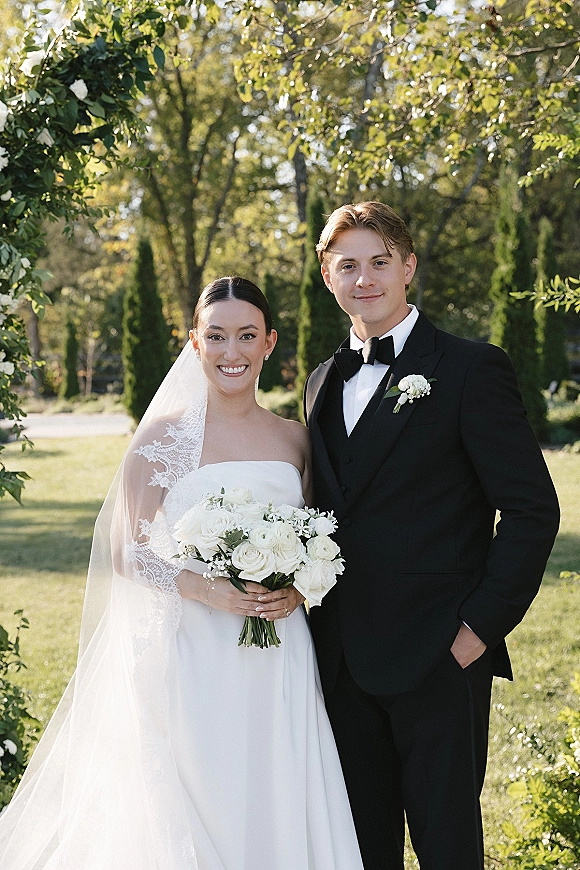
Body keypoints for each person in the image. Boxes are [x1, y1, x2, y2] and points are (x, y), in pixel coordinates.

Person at [0, 276, 364, 870]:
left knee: (275, 779)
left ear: (269, 342)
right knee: (203, 795)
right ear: (194, 343)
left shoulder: (296, 440)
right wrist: (206, 591)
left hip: (279, 653)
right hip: (195, 648)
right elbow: (127, 549)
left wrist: (298, 587)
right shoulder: (160, 440)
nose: (231, 352)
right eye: (216, 336)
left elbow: (319, 536)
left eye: (246, 335)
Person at [303, 202, 560, 870]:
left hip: (440, 660)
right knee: (360, 850)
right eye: (347, 264)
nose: (365, 279)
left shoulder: (472, 369)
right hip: (341, 663)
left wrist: (476, 631)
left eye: (380, 262)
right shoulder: (321, 383)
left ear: (408, 267)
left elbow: (532, 511)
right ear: (327, 276)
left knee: (448, 850)